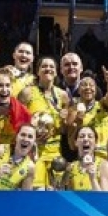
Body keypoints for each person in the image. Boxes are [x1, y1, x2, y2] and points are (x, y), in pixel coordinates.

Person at [18, 56, 69, 190]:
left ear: (56, 72)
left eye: (51, 67)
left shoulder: (62, 95)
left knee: (55, 192)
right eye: (44, 66)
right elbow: (17, 122)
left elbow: (64, 130)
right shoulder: (27, 92)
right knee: (36, 191)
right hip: (35, 151)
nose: (48, 69)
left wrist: (64, 120)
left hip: (55, 152)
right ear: (37, 71)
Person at [62, 126, 108, 191]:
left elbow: (106, 197)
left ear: (96, 142)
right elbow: (66, 195)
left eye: (90, 136)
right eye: (81, 136)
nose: (86, 139)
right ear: (76, 142)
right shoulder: (71, 167)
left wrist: (93, 179)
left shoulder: (104, 166)